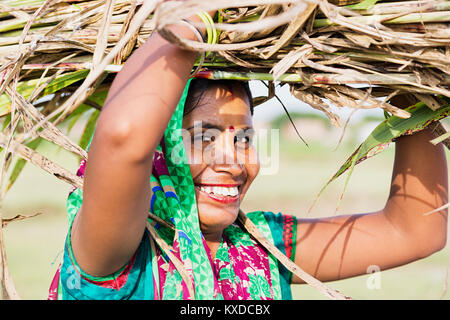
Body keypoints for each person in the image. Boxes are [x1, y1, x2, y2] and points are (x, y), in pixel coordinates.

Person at [47, 10, 448, 300]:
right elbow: (121, 137)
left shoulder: (261, 246)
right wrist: (193, 17)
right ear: (158, 148)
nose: (235, 162)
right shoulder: (114, 254)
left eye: (244, 139)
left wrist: (409, 81)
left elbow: (415, 229)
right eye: (204, 137)